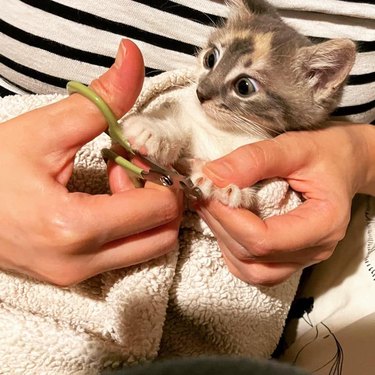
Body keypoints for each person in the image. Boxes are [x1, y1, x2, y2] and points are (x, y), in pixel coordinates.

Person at [0, 0, 374, 287]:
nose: (204, 88)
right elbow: (177, 121)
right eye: (212, 59)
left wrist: (361, 155)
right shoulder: (194, 99)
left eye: (244, 86)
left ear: (319, 82)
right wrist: (160, 134)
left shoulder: (288, 111)